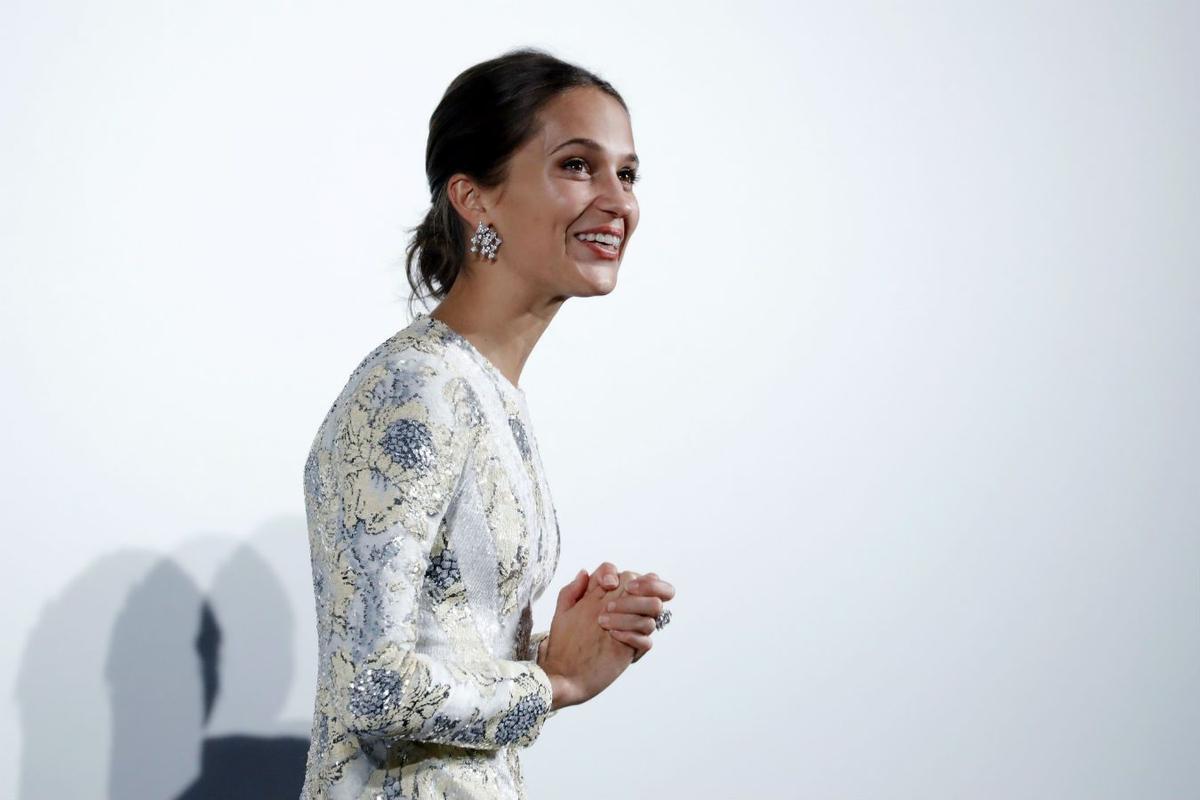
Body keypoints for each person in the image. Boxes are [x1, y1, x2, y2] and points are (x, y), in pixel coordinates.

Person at [299, 47, 676, 800]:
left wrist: (569, 647)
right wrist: (554, 679)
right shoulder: (417, 389)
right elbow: (371, 692)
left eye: (626, 174)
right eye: (577, 165)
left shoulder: (485, 389)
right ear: (475, 198)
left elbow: (440, 651)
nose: (617, 201)